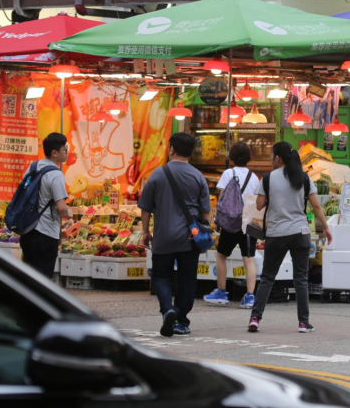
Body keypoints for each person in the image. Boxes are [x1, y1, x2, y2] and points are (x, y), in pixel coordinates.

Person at [248, 142, 332, 334]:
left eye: (271, 156)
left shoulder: (268, 178)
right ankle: (303, 322)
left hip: (276, 233)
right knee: (301, 279)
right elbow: (316, 206)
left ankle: (255, 318)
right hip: (300, 233)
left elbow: (260, 206)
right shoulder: (303, 178)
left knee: (268, 277)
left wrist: (270, 196)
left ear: (277, 158)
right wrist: (326, 228)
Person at [139, 133, 211, 338]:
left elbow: (145, 207)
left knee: (161, 276)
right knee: (187, 280)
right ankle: (182, 320)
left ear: (171, 149)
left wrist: (145, 232)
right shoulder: (198, 176)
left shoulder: (157, 174)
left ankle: (168, 310)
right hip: (190, 239)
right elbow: (205, 212)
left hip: (163, 237)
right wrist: (207, 231)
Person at [204, 142, 260, 309]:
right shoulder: (254, 177)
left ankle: (221, 292)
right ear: (248, 157)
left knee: (221, 255)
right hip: (248, 222)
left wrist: (217, 221)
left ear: (232, 157)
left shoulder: (228, 173)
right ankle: (250, 296)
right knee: (249, 259)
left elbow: (221, 199)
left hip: (230, 222)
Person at [18, 132, 71, 279]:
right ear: (54, 153)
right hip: (45, 234)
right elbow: (61, 208)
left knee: (28, 276)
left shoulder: (33, 167)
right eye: (64, 149)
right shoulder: (56, 174)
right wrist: (70, 212)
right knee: (42, 279)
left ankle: (25, 301)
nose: (66, 152)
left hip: (28, 231)